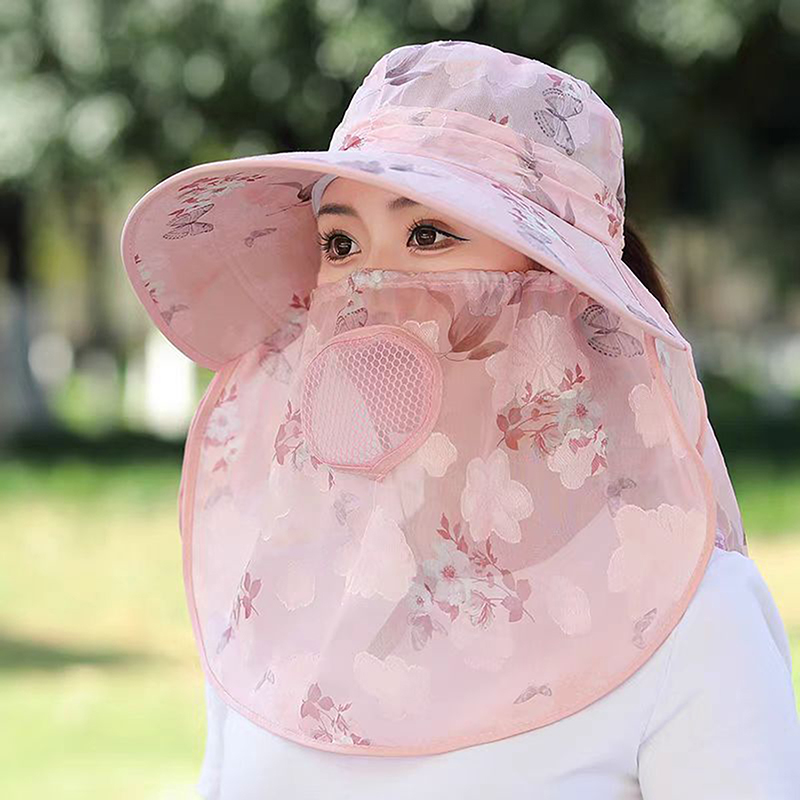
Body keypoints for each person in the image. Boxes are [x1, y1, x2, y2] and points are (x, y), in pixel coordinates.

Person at [120, 40, 800, 799]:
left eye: (429, 235)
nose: (371, 288)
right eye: (340, 243)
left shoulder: (690, 619)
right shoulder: (290, 597)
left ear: (558, 285)